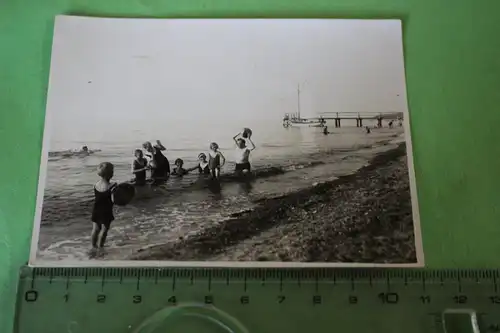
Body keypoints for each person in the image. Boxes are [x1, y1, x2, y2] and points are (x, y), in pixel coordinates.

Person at [90, 162, 117, 254]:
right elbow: (114, 200)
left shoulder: (96, 184)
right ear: (110, 174)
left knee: (95, 229)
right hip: (106, 210)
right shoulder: (112, 186)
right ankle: (100, 247)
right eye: (112, 171)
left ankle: (93, 246)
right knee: (104, 229)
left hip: (96, 209)